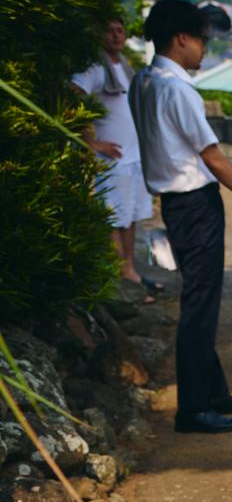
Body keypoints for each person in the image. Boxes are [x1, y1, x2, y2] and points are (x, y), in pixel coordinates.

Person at [130, 0, 232, 435]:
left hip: (176, 204)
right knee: (199, 305)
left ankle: (214, 392)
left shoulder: (143, 81)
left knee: (202, 298)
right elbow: (212, 156)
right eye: (202, 40)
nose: (204, 49)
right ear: (182, 39)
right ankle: (193, 409)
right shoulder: (177, 89)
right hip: (195, 203)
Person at [71, 18, 159, 302]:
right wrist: (91, 143)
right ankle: (121, 279)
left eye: (120, 30)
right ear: (99, 34)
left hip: (132, 157)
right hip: (111, 161)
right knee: (114, 220)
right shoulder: (94, 68)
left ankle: (129, 271)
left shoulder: (124, 66)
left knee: (130, 217)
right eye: (109, 30)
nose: (116, 35)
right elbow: (72, 98)